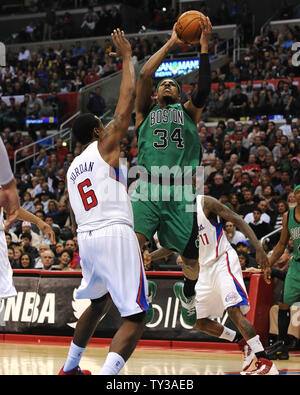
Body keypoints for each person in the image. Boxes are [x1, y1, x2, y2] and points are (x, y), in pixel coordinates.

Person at [60, 29, 148, 376]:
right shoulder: (104, 145)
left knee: (97, 305)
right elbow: (126, 100)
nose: (109, 126)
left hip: (87, 238)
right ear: (98, 131)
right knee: (137, 315)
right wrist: (128, 57)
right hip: (114, 232)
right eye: (103, 125)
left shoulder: (70, 169)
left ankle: (69, 369)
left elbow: (71, 217)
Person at [131, 17, 212, 326]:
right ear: (156, 94)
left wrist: (203, 47)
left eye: (172, 85)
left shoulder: (188, 113)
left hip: (180, 191)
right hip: (147, 188)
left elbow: (203, 90)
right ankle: (143, 290)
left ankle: (188, 294)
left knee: (191, 261)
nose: (166, 84)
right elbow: (145, 73)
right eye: (163, 84)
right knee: (133, 245)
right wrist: (171, 42)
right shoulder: (144, 113)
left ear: (179, 95)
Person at [151, 195, 278, 375]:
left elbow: (237, 219)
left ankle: (265, 361)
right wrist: (149, 255)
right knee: (195, 319)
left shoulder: (205, 203)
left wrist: (258, 248)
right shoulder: (177, 215)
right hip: (203, 268)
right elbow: (171, 246)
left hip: (222, 261)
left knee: (233, 311)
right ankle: (241, 342)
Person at [266, 185, 300, 360]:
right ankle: (282, 345)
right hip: (296, 265)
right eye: (297, 193)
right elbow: (280, 245)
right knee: (283, 303)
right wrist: (267, 264)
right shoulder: (288, 217)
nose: (299, 196)